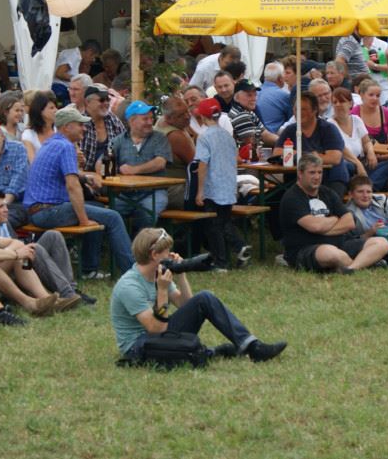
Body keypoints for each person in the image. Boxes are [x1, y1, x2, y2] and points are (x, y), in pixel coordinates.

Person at [110, 228, 287, 363]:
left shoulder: (160, 273)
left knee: (204, 298)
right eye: (167, 253)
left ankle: (252, 346)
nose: (171, 255)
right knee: (190, 349)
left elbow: (186, 304)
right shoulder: (130, 286)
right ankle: (213, 352)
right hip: (138, 347)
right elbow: (156, 329)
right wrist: (162, 291)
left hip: (158, 336)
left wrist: (181, 274)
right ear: (155, 255)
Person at [24, 105, 135, 278]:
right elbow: (72, 186)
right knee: (113, 217)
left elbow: (67, 173)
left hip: (36, 210)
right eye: (80, 124)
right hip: (48, 211)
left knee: (97, 208)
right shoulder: (66, 146)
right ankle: (133, 273)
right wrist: (83, 220)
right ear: (67, 127)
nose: (85, 128)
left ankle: (89, 269)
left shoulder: (51, 143)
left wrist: (85, 177)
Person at [0, 188, 94, 307]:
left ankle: (71, 289)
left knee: (53, 235)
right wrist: (13, 252)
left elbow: (17, 243)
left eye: (5, 206)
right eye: (0, 207)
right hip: (5, 271)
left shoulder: (3, 223)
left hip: (18, 262)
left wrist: (13, 251)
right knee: (34, 248)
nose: (6, 210)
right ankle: (67, 293)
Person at [279, 153, 388, 272]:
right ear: (300, 173)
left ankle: (351, 268)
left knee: (381, 243)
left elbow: (349, 222)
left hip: (340, 243)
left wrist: (322, 229)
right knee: (331, 253)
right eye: (312, 172)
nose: (317, 177)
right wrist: (335, 218)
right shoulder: (292, 197)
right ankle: (365, 263)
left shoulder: (327, 192)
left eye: (320, 172)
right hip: (306, 249)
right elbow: (315, 226)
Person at [191, 97, 249, 270]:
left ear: (202, 117)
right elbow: (235, 159)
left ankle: (221, 261)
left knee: (213, 225)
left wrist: (200, 191)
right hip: (228, 186)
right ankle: (239, 247)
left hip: (212, 188)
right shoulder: (228, 137)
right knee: (224, 221)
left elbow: (203, 164)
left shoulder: (204, 137)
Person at [111, 101, 172, 231]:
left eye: (151, 118)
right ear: (132, 121)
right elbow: (103, 160)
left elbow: (160, 162)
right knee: (111, 214)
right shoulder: (118, 140)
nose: (150, 122)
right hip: (126, 193)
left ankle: (141, 244)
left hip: (153, 192)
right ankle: (123, 244)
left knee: (146, 215)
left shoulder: (159, 138)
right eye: (145, 119)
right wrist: (109, 168)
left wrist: (133, 170)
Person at [277, 92, 348, 197]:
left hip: (330, 179)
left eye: (303, 109)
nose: (298, 113)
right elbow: (277, 153)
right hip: (298, 180)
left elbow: (334, 158)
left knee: (327, 202)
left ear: (314, 110)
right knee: (270, 201)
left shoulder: (328, 129)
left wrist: (297, 155)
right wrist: (312, 155)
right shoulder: (290, 130)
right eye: (296, 109)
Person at [330, 87, 388, 191]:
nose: (338, 105)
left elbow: (366, 141)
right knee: (346, 166)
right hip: (347, 164)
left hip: (362, 161)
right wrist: (358, 164)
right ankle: (367, 189)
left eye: (342, 101)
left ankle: (364, 189)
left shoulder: (356, 120)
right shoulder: (330, 124)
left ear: (350, 103)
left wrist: (370, 152)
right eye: (335, 102)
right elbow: (341, 148)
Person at [153, 95, 194, 209]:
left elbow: (196, 136)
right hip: (175, 191)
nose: (187, 116)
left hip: (164, 188)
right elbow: (196, 165)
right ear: (168, 118)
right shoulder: (175, 136)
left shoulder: (164, 122)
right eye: (181, 115)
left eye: (187, 111)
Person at [79, 86, 127, 172]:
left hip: (111, 173)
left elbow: (125, 144)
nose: (106, 103)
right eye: (101, 100)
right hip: (85, 174)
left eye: (108, 99)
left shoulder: (113, 119)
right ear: (87, 102)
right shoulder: (80, 123)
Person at [228, 79, 278, 147]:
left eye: (255, 95)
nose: (254, 98)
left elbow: (265, 133)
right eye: (249, 95)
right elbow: (252, 143)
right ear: (237, 97)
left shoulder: (247, 111)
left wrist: (282, 141)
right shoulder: (241, 115)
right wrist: (282, 143)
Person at [21, 91, 57, 163]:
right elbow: (33, 163)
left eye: (55, 107)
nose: (56, 110)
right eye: (51, 108)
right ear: (40, 111)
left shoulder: (59, 130)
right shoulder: (28, 135)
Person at [255, 61, 291, 133]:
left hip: (255, 134)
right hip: (274, 136)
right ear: (280, 78)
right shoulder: (284, 96)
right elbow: (291, 119)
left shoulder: (254, 93)